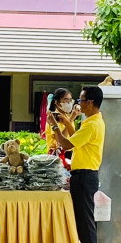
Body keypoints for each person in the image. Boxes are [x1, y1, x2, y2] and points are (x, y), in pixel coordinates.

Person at [47, 86, 105, 243]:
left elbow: (67, 145)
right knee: (83, 223)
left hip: (85, 177)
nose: (78, 104)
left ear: (90, 103)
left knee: (86, 224)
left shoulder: (91, 125)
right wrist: (67, 122)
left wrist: (54, 126)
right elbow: (76, 140)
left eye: (81, 100)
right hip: (85, 177)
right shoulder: (93, 121)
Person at [45, 88, 80, 168]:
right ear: (57, 103)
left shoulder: (67, 116)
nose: (69, 103)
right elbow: (60, 140)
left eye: (70, 100)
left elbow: (72, 136)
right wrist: (71, 119)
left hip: (69, 154)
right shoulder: (53, 117)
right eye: (66, 100)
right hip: (57, 156)